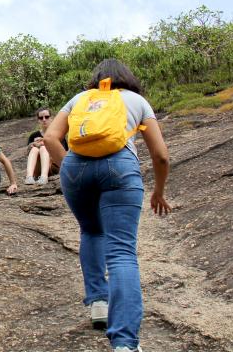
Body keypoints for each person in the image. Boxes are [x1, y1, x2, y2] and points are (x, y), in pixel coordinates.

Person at [43, 59, 171, 352]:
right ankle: (125, 343)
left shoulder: (81, 99)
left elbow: (50, 137)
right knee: (122, 253)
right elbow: (161, 155)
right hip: (120, 166)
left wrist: (70, 171)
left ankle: (99, 302)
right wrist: (159, 192)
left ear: (97, 78)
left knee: (90, 231)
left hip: (75, 167)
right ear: (128, 77)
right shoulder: (137, 101)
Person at [25, 107, 67, 185]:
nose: (44, 120)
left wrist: (45, 143)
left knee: (43, 148)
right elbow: (27, 153)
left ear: (51, 118)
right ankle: (29, 177)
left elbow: (63, 154)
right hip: (38, 168)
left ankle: (44, 177)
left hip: (53, 167)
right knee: (34, 149)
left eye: (47, 117)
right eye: (41, 118)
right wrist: (33, 145)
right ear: (38, 120)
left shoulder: (58, 135)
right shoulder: (33, 136)